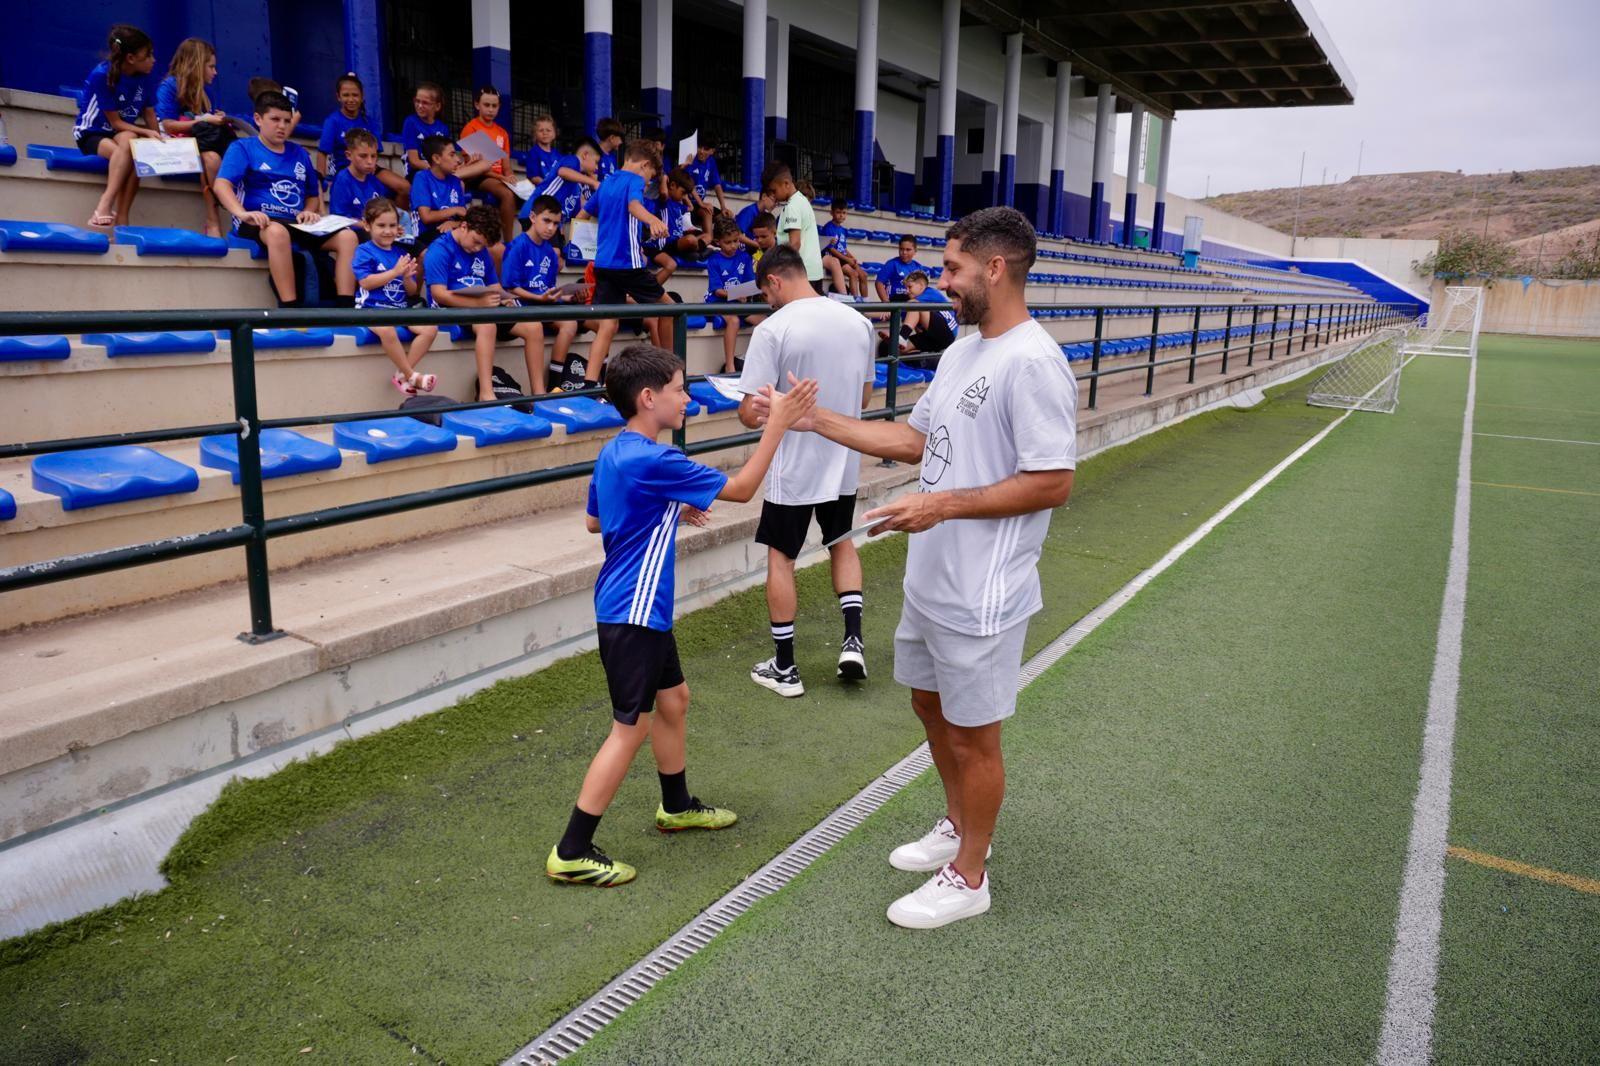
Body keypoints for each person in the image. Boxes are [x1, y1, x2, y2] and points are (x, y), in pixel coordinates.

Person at [750, 207, 1077, 928]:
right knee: (929, 707)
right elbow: (910, 438)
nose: (942, 282)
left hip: (983, 588)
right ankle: (958, 827)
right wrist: (811, 418)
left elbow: (1053, 480)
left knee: (975, 733)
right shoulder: (964, 349)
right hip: (933, 576)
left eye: (953, 268)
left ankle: (971, 876)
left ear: (995, 269)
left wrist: (944, 506)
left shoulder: (1033, 362)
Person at [545, 343, 820, 888]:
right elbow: (742, 491)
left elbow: (595, 523)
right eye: (678, 389)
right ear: (648, 398)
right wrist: (779, 424)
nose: (686, 397)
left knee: (675, 700)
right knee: (630, 728)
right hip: (634, 613)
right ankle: (572, 848)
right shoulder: (653, 458)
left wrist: (668, 502)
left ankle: (676, 806)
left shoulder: (618, 451)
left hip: (634, 608)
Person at [735, 247, 876, 697]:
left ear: (774, 281)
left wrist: (756, 407)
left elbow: (749, 413)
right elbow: (867, 399)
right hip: (844, 455)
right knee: (841, 543)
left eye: (765, 292)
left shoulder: (774, 329)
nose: (767, 301)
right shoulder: (859, 321)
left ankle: (785, 667)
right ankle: (853, 641)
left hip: (793, 461)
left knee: (781, 556)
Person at [214, 90, 358, 308]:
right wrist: (242, 213)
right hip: (259, 220)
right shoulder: (243, 148)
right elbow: (221, 184)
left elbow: (311, 194)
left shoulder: (299, 152)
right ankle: (289, 308)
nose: (281, 126)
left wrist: (310, 210)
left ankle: (346, 307)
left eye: (286, 121)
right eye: (275, 120)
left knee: (348, 238)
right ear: (258, 119)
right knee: (277, 233)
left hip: (296, 223)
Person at [571, 140, 672, 390]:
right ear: (645, 165)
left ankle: (590, 383)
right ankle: (673, 371)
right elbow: (634, 205)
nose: (647, 183)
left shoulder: (606, 182)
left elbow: (582, 216)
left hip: (603, 265)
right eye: (650, 178)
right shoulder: (634, 181)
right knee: (671, 310)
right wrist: (652, 221)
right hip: (628, 264)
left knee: (608, 324)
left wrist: (583, 244)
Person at [423, 202, 542, 401]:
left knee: (534, 326)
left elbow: (494, 286)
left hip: (482, 306)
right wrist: (478, 305)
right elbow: (439, 295)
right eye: (476, 241)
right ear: (463, 226)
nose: (478, 248)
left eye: (482, 245)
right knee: (487, 325)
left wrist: (508, 300)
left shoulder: (480, 251)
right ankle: (487, 393)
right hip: (450, 309)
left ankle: (539, 393)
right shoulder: (439, 250)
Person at [74, 24, 159, 229]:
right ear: (130, 58)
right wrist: (148, 132)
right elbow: (115, 122)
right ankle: (105, 205)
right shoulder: (102, 75)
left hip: (121, 134)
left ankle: (122, 217)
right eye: (148, 55)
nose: (153, 60)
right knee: (130, 149)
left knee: (131, 142)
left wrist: (160, 136)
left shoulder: (145, 78)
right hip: (92, 133)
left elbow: (149, 114)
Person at [353, 197, 440, 394]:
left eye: (392, 225)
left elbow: (410, 292)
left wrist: (408, 277)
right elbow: (365, 282)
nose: (388, 231)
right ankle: (412, 376)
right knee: (387, 331)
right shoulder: (364, 250)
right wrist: (394, 272)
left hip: (399, 309)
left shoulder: (401, 252)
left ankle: (402, 375)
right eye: (381, 225)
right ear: (367, 226)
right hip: (371, 309)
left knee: (430, 329)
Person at [154, 37, 234, 237]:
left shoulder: (207, 93)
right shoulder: (170, 86)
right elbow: (168, 125)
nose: (215, 72)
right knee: (210, 159)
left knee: (218, 157)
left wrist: (216, 119)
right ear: (197, 65)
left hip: (200, 143)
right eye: (211, 66)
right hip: (173, 143)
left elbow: (205, 127)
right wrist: (201, 121)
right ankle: (212, 219)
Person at [502, 195, 583, 391]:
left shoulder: (550, 252)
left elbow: (546, 289)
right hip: (522, 305)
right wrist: (538, 297)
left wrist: (564, 296)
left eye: (555, 224)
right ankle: (538, 393)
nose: (550, 228)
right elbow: (510, 288)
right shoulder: (517, 246)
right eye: (546, 221)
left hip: (542, 304)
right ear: (532, 217)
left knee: (570, 324)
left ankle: (554, 385)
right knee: (535, 326)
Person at [314, 73, 409, 208]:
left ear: (362, 96)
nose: (351, 99)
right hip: (345, 168)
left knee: (404, 188)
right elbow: (322, 153)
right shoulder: (333, 121)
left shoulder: (369, 121)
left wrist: (371, 165)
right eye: (346, 95)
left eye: (355, 95)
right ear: (338, 97)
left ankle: (394, 223)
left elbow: (377, 151)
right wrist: (320, 180)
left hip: (370, 167)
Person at [456, 85, 519, 241]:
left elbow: (506, 166)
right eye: (486, 105)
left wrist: (510, 176)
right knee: (507, 194)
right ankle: (509, 242)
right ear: (477, 105)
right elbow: (474, 168)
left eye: (494, 106)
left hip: (497, 178)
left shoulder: (502, 133)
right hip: (479, 177)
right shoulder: (470, 128)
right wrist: (502, 179)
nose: (490, 109)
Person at [705, 217, 763, 373]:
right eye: (728, 242)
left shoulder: (744, 257)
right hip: (718, 303)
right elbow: (717, 290)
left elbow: (752, 284)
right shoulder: (714, 260)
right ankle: (730, 366)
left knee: (765, 321)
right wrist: (736, 294)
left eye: (736, 241)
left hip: (738, 303)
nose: (733, 246)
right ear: (718, 242)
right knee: (734, 321)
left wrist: (745, 293)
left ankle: (758, 359)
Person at [763, 162, 824, 292]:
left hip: (802, 273)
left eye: (774, 190)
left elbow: (795, 244)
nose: (773, 195)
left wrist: (775, 262)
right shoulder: (801, 200)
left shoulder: (792, 206)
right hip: (813, 271)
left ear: (786, 183)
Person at [521, 138, 601, 231]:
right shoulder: (573, 160)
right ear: (585, 155)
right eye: (596, 162)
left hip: (546, 216)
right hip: (537, 213)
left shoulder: (576, 183)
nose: (596, 167)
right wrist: (594, 183)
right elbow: (563, 171)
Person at [647, 167, 710, 284]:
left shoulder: (678, 205)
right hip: (666, 244)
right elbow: (664, 193)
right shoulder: (664, 201)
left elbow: (690, 208)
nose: (684, 196)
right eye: (683, 192)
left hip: (677, 243)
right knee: (691, 240)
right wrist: (665, 178)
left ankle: (697, 251)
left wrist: (685, 197)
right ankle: (698, 250)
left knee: (707, 237)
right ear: (672, 185)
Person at [880, 270, 956, 366]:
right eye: (906, 288)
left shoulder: (930, 292)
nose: (907, 291)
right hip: (932, 337)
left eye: (910, 287)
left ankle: (902, 337)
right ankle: (901, 355)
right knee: (893, 348)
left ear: (920, 285)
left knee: (914, 305)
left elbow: (909, 304)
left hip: (947, 332)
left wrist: (890, 309)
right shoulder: (915, 300)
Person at [410, 134, 467, 249]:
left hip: (451, 230)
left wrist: (453, 224)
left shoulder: (456, 181)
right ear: (436, 158)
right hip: (425, 236)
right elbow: (426, 217)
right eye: (452, 155)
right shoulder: (422, 178)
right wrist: (454, 210)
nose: (458, 160)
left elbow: (465, 216)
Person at [326, 130, 390, 231]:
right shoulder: (343, 180)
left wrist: (393, 227)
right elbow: (339, 219)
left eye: (373, 156)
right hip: (352, 234)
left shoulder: (375, 181)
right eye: (363, 156)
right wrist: (370, 226)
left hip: (373, 231)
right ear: (348, 155)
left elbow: (383, 212)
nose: (370, 161)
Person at [818, 202, 870, 299]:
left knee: (864, 275)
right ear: (831, 213)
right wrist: (847, 259)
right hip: (834, 257)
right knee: (853, 274)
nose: (841, 215)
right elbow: (831, 249)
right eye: (838, 212)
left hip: (843, 257)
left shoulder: (843, 230)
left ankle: (865, 301)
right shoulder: (828, 228)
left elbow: (844, 248)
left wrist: (851, 257)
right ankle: (855, 301)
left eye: (844, 212)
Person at [401, 82, 450, 176]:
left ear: (437, 106)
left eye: (425, 103)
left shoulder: (443, 128)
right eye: (417, 101)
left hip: (439, 171)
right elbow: (414, 161)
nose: (419, 106)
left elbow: (447, 157)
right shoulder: (411, 122)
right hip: (417, 174)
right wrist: (437, 169)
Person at [683, 142, 728, 222]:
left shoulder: (711, 161)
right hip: (687, 205)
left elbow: (717, 185)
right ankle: (708, 235)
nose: (701, 151)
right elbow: (689, 184)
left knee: (728, 216)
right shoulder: (690, 159)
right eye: (699, 147)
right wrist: (701, 203)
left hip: (699, 205)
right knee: (707, 212)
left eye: (706, 149)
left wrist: (723, 207)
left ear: (712, 151)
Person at [876, 234, 925, 302]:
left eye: (908, 250)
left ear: (915, 251)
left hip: (911, 303)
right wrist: (886, 304)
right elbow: (879, 283)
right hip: (894, 302)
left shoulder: (918, 267)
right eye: (901, 249)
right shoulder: (892, 264)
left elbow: (922, 288)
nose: (904, 252)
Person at [522, 114, 561, 189]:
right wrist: (550, 186)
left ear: (554, 134)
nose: (545, 133)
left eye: (548, 130)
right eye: (541, 130)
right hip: (541, 191)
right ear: (535, 134)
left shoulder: (558, 155)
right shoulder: (533, 153)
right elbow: (534, 178)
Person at [594, 116, 625, 180]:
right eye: (620, 138)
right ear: (612, 138)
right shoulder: (593, 154)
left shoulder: (612, 156)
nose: (621, 142)